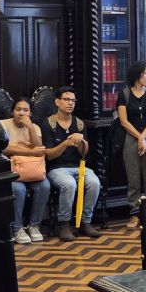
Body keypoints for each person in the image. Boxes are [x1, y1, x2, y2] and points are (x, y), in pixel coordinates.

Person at [45, 85, 102, 241]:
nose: (70, 103)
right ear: (57, 102)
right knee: (69, 184)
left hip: (78, 166)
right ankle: (63, 224)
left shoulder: (80, 123)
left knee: (94, 182)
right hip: (56, 168)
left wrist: (82, 142)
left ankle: (85, 222)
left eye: (73, 100)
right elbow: (49, 156)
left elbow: (84, 153)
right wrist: (65, 143)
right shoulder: (48, 123)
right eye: (66, 99)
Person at [117, 61, 146, 230]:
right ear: (138, 74)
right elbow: (123, 121)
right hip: (130, 139)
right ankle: (135, 214)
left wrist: (143, 137)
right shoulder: (124, 94)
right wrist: (139, 137)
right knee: (133, 180)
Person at [1, 97, 50, 244]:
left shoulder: (35, 127)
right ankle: (17, 228)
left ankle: (34, 225)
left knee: (44, 186)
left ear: (30, 113)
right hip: (11, 170)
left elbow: (39, 149)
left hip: (32, 170)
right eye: (18, 109)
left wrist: (30, 128)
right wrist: (29, 151)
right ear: (12, 111)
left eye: (25, 110)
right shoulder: (2, 125)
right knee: (18, 189)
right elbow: (3, 149)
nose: (21, 113)